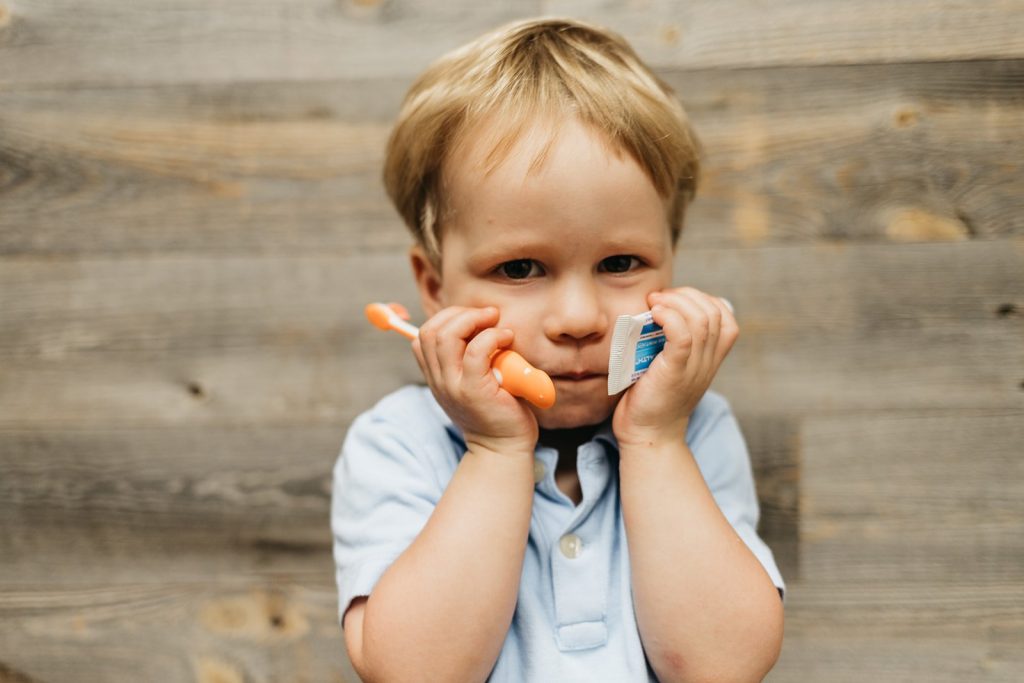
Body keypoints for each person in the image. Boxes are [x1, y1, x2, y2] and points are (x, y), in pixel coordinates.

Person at [331, 16, 785, 682]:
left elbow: (723, 666)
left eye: (621, 261)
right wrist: (495, 450)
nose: (578, 318)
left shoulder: (694, 427)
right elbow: (415, 672)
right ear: (433, 287)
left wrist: (656, 442)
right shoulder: (397, 443)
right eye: (520, 269)